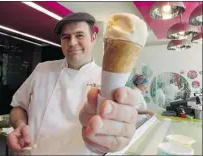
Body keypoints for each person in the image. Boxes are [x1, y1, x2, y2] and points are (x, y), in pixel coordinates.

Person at [7, 12, 138, 155]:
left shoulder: (106, 80)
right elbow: (18, 106)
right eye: (66, 37)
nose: (72, 43)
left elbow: (117, 125)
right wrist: (20, 125)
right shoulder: (42, 69)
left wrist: (120, 132)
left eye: (79, 35)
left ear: (93, 38)